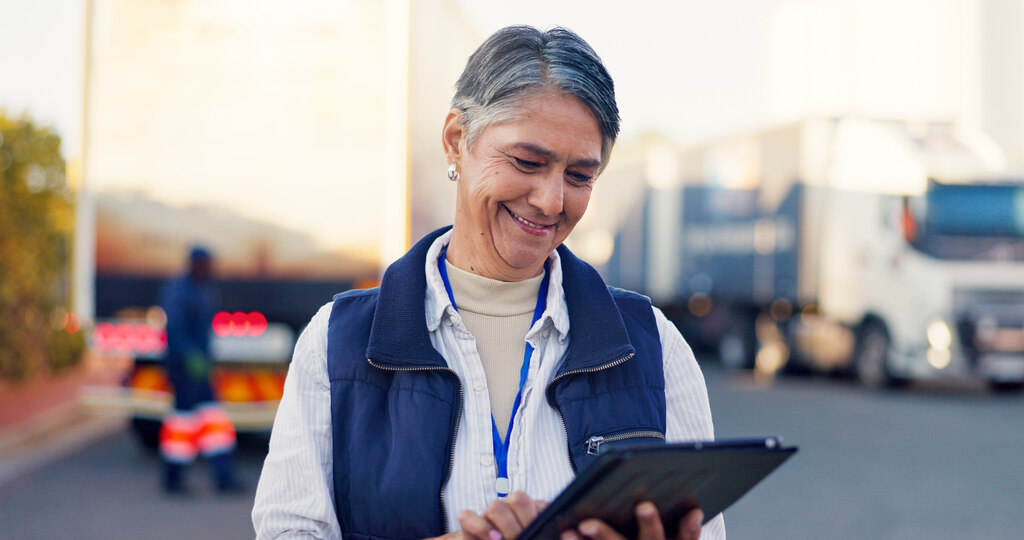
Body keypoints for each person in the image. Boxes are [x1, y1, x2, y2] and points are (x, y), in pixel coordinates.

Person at [253, 25, 725, 540]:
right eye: (527, 162)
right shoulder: (338, 341)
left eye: (579, 176)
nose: (550, 201)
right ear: (457, 140)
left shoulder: (650, 343)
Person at [159, 246, 242, 494]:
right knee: (183, 422)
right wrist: (189, 356)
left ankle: (223, 477)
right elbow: (174, 328)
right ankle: (174, 479)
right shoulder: (180, 290)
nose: (210, 268)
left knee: (212, 420)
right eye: (206, 263)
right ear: (196, 264)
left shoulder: (203, 288)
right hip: (183, 368)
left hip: (199, 367)